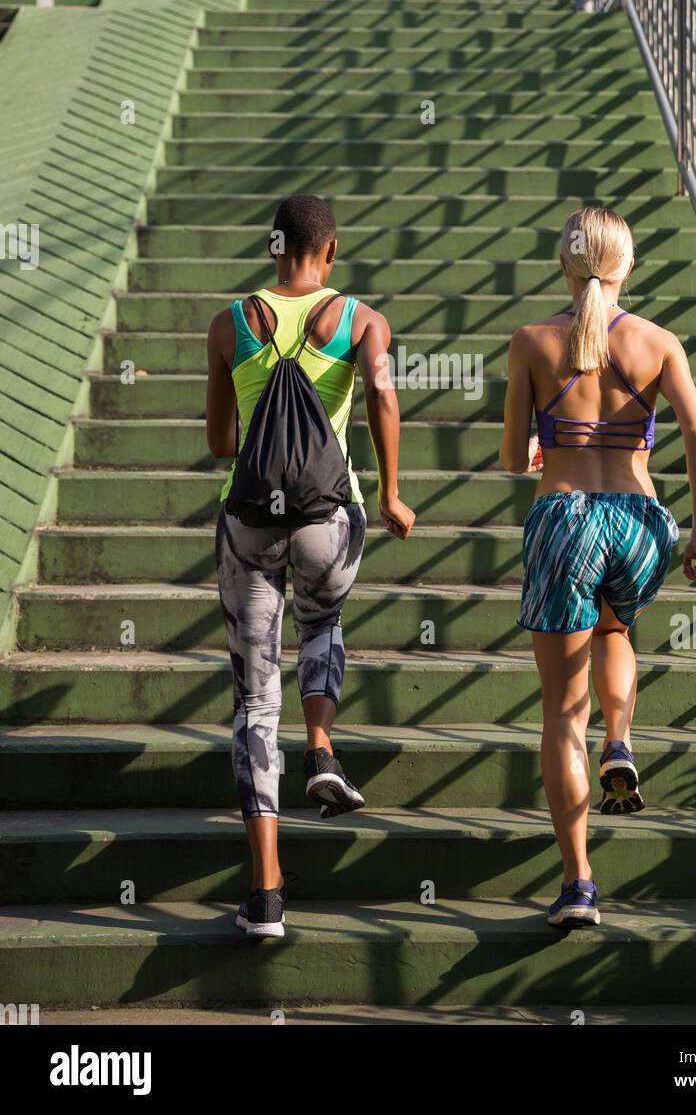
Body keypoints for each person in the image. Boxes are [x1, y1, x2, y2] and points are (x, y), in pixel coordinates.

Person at [500, 205, 696, 928]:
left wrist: (543, 450)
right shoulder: (658, 342)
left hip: (563, 519)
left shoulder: (531, 342)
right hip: (640, 522)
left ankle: (578, 884)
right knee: (615, 629)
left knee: (562, 713)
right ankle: (620, 740)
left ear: (564, 264)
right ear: (626, 265)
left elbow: (509, 457)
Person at [206, 193, 415, 937]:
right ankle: (321, 745)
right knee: (322, 622)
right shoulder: (362, 321)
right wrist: (391, 491)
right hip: (330, 517)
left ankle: (265, 894)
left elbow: (221, 439)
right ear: (331, 252)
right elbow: (383, 397)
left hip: (248, 522)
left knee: (253, 702)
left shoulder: (230, 323)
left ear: (274, 247)